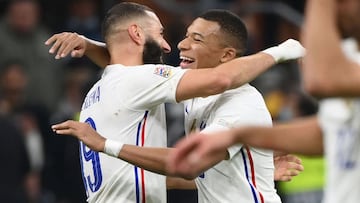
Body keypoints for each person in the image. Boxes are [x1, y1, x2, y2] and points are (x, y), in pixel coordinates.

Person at [48, 2, 304, 203]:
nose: (175, 45)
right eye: (161, 33)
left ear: (227, 55)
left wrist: (250, 175)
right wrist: (283, 51)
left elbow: (186, 169)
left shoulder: (241, 102)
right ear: (136, 33)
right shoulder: (147, 85)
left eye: (197, 39)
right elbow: (218, 80)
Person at [166, 0, 360, 203]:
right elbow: (328, 131)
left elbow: (320, 81)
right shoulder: (349, 57)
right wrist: (244, 143)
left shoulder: (241, 100)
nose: (181, 44)